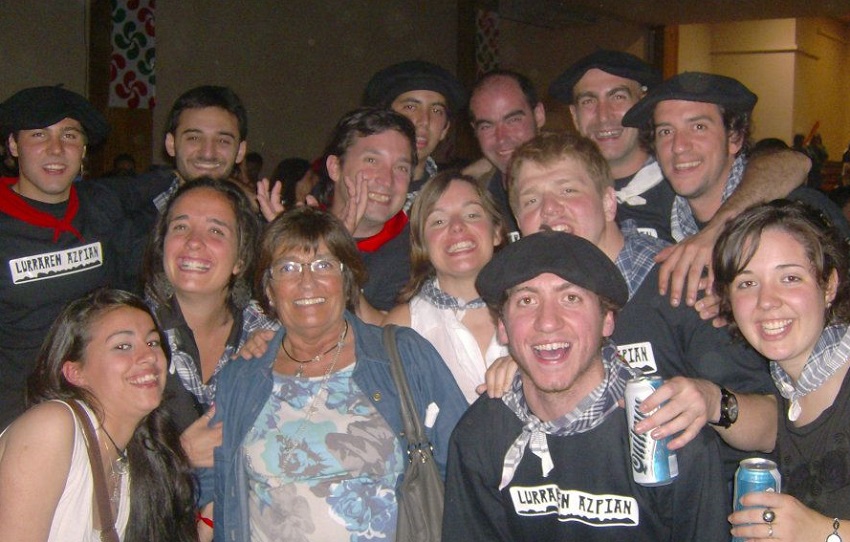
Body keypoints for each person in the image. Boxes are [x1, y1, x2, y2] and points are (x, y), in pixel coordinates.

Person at [489, 131, 776, 481]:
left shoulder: (682, 287)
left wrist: (713, 400)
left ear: (609, 203)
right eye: (531, 200)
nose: (549, 210)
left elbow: (772, 425)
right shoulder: (530, 315)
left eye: (568, 190)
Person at [197, 206, 467, 541]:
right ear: (269, 289)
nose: (307, 281)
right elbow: (216, 488)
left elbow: (465, 465)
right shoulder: (241, 377)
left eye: (324, 265)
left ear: (348, 279)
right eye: (288, 267)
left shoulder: (403, 355)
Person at [443, 230, 728, 541]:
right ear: (503, 327)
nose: (547, 321)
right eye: (526, 300)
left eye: (571, 298)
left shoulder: (670, 433)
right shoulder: (480, 435)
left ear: (607, 321)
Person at [0, 288, 197, 541]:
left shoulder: (128, 463)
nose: (148, 356)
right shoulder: (53, 428)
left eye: (152, 342)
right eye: (123, 346)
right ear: (75, 373)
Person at [713, 201, 850, 541]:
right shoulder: (788, 385)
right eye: (747, 283)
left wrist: (824, 532)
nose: (767, 301)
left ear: (828, 285)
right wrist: (708, 401)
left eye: (790, 278)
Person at [0, 86, 135, 429]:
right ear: (14, 145)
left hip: (99, 408)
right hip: (18, 416)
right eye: (38, 135)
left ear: (84, 149)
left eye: (69, 135)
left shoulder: (100, 208)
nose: (56, 149)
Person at [622, 72, 850, 249]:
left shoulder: (797, 213)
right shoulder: (654, 218)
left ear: (735, 137)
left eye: (698, 127)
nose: (679, 146)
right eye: (665, 132)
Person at [141, 178, 275, 466]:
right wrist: (182, 455)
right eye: (180, 226)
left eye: (215, 230)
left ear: (240, 259)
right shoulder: (126, 338)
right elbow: (103, 462)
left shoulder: (268, 335)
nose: (193, 242)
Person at [259, 107, 419, 313]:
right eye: (372, 161)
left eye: (401, 168)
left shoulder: (416, 256)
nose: (387, 180)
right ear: (335, 167)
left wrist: (332, 248)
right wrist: (286, 244)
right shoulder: (286, 232)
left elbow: (377, 337)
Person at [384, 170, 507, 403]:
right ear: (421, 243)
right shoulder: (403, 328)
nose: (457, 227)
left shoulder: (538, 308)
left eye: (471, 215)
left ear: (497, 232)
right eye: (438, 221)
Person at [363, 59, 466, 210]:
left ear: (445, 128)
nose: (424, 121)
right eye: (411, 107)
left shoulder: (453, 200)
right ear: (384, 118)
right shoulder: (355, 189)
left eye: (436, 110)